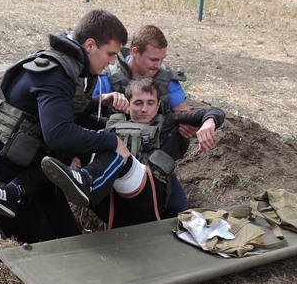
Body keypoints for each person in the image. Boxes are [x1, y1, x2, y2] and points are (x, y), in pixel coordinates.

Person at [0, 8, 132, 243]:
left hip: (35, 173)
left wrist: (99, 102)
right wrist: (111, 141)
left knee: (71, 242)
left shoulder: (68, 66)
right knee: (46, 253)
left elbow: (57, 110)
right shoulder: (56, 73)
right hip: (1, 178)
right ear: (90, 45)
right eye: (110, 53)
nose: (112, 62)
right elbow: (57, 134)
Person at [41, 76, 224, 228]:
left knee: (117, 150)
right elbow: (73, 118)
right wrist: (73, 155)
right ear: (127, 105)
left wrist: (208, 123)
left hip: (149, 198)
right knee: (103, 139)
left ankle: (85, 178)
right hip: (111, 201)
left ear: (158, 105)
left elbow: (214, 112)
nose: (144, 109)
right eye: (138, 103)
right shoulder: (111, 123)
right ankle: (82, 180)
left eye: (150, 103)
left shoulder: (170, 122)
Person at [93, 24, 211, 215]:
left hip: (154, 159)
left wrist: (191, 125)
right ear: (135, 52)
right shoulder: (108, 77)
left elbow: (185, 113)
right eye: (154, 59)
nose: (158, 65)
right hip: (115, 159)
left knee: (177, 208)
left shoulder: (165, 79)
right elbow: (86, 114)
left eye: (162, 59)